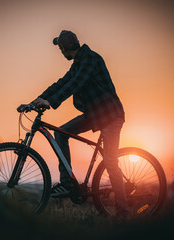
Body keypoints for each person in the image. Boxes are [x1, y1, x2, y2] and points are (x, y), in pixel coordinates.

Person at [31, 30, 128, 217]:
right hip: (95, 114)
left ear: (64, 48)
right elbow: (63, 82)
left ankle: (122, 213)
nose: (60, 52)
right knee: (61, 133)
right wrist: (39, 99)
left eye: (60, 49)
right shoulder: (78, 63)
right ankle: (67, 184)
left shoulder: (90, 59)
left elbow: (74, 84)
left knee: (110, 162)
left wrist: (51, 102)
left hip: (111, 116)